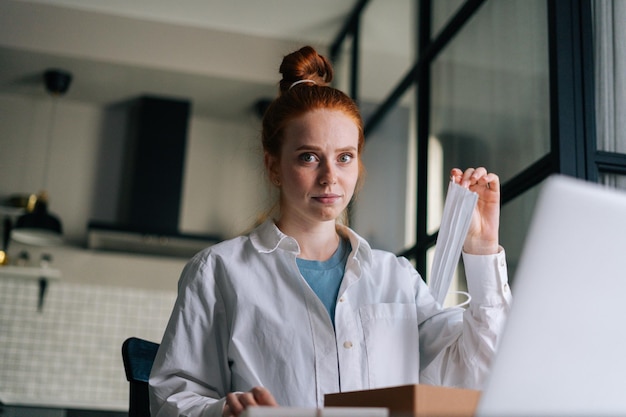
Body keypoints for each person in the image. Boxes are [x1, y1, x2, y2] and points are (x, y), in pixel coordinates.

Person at [149, 45, 512, 417]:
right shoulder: (217, 272)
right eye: (308, 156)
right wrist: (224, 413)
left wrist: (482, 250)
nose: (329, 177)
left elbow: (480, 374)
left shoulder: (396, 278)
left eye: (344, 157)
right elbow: (171, 401)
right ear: (273, 167)